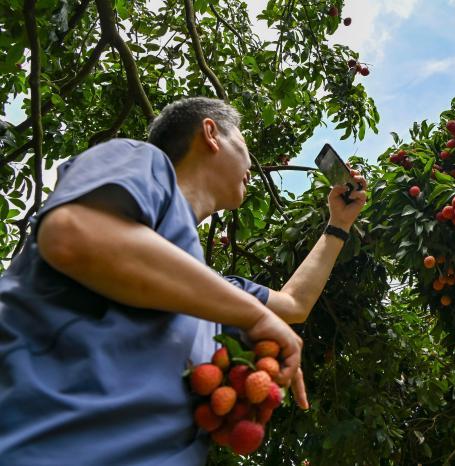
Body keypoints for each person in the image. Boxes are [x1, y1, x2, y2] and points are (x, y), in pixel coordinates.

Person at [0, 97, 367, 465]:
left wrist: (338, 225)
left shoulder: (209, 292)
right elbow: (74, 236)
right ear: (210, 133)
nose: (251, 169)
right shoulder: (141, 159)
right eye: (244, 147)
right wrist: (253, 316)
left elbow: (294, 305)